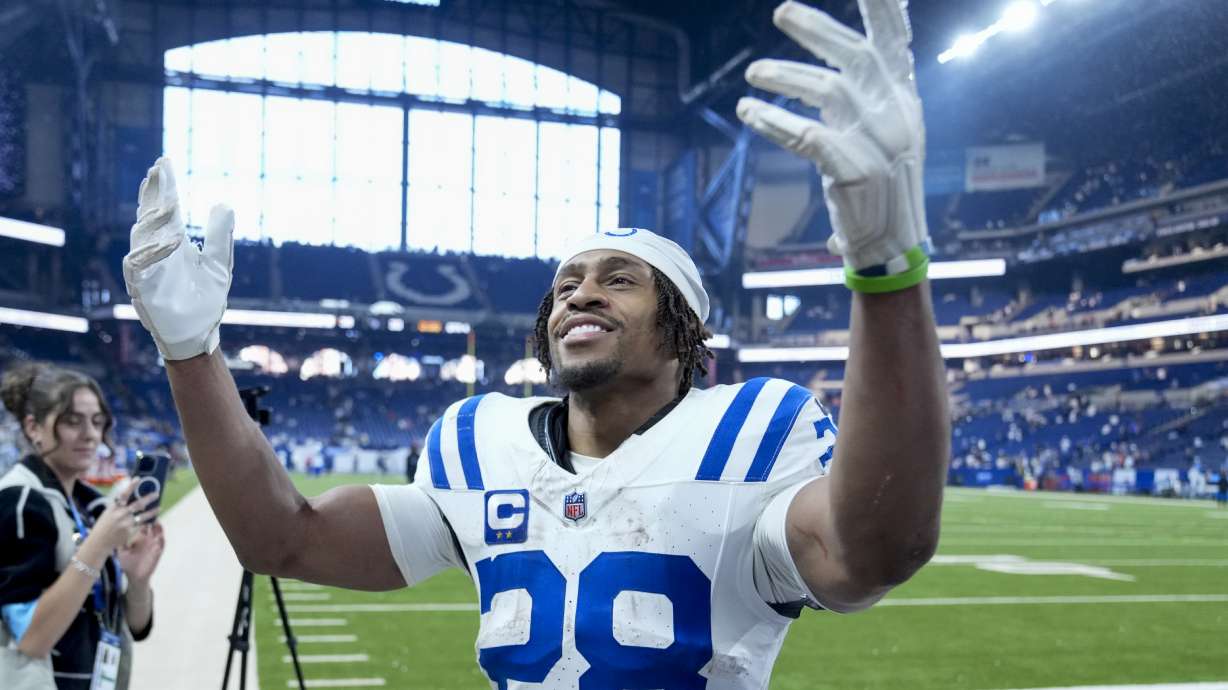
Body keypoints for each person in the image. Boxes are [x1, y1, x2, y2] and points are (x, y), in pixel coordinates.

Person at [120, 1, 947, 686]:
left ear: (684, 329)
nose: (580, 291)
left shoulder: (752, 433)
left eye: (621, 278)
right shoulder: (480, 445)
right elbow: (281, 539)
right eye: (566, 283)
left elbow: (874, 550)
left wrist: (885, 267)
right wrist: (191, 354)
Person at [0, 363, 164, 690]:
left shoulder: (91, 506)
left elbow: (137, 626)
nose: (90, 434)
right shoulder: (19, 501)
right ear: (34, 428)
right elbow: (31, 638)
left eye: (97, 421)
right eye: (72, 422)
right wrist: (99, 545)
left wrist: (137, 579)